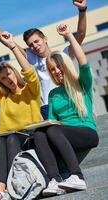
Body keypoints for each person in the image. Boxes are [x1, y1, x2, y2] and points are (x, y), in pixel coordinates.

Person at [0, 0, 87, 119]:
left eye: (36, 41)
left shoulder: (63, 56)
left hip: (66, 101)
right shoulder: (31, 58)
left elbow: (80, 35)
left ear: (45, 39)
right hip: (44, 108)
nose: (34, 46)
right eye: (30, 45)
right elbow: (5, 41)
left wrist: (82, 10)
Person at [33, 24, 99, 197]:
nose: (56, 72)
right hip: (62, 133)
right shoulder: (53, 94)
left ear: (66, 66)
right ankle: (55, 180)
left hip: (86, 132)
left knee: (53, 130)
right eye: (52, 69)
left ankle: (77, 176)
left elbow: (83, 62)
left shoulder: (81, 84)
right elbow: (53, 121)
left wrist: (69, 35)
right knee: (39, 133)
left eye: (58, 67)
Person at [0, 34, 41, 196]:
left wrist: (13, 46)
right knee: (1, 140)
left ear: (15, 72)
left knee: (10, 138)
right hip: (7, 138)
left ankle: (15, 183)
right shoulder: (3, 97)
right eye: (3, 78)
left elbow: (30, 72)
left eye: (9, 74)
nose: (8, 79)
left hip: (29, 135)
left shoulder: (30, 90)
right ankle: (0, 191)